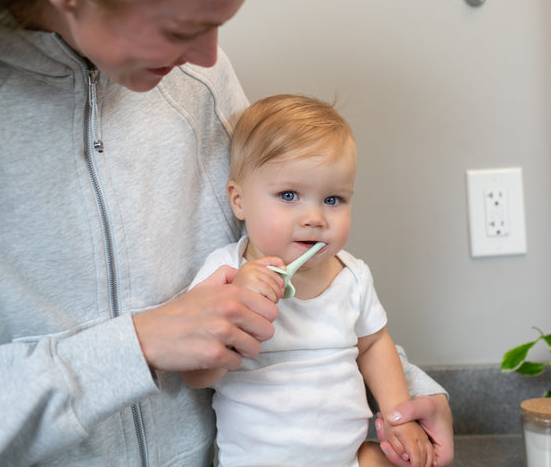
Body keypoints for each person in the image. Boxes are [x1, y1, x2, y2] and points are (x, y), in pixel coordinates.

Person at [0, 0, 453, 466]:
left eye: (216, 27)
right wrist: (140, 343)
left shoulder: (197, 80)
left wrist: (405, 399)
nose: (208, 59)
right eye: (183, 27)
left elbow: (290, 290)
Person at [181, 94, 433, 467]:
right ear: (239, 201)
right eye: (289, 195)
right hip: (257, 462)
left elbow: (375, 343)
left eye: (333, 199)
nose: (315, 217)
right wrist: (237, 308)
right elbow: (196, 375)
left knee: (389, 460)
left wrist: (399, 414)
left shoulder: (352, 276)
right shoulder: (225, 273)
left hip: (347, 457)